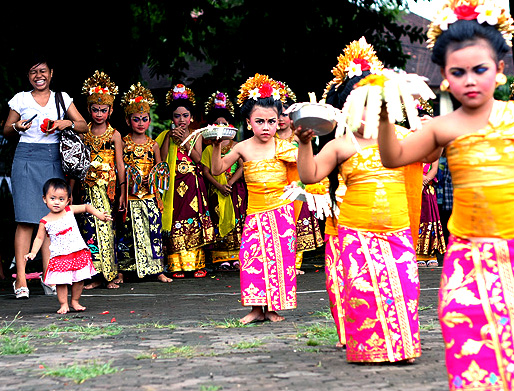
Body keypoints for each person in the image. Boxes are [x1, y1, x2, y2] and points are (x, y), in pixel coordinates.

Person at [376, 0, 514, 387]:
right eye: (458, 72)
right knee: (469, 345)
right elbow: (394, 157)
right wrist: (386, 115)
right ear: (444, 77)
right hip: (467, 257)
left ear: (499, 71)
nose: (469, 79)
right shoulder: (443, 127)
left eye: (480, 70)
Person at [296, 38, 422, 363]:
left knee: (403, 291)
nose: (367, 112)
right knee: (363, 293)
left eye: (374, 103)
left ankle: (403, 348)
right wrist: (304, 144)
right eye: (359, 105)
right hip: (355, 232)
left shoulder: (406, 138)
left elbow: (434, 153)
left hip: (397, 231)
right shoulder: (341, 145)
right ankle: (369, 351)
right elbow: (310, 176)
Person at [211, 74, 298, 324]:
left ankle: (272, 309)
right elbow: (217, 170)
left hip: (281, 212)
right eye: (260, 121)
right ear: (249, 123)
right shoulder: (242, 147)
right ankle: (256, 309)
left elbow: (307, 170)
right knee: (252, 260)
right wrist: (217, 145)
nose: (266, 127)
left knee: (280, 261)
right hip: (255, 214)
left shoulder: (285, 148)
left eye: (272, 121)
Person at [3, 58, 88, 299]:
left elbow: (82, 125)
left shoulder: (62, 97)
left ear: (51, 73)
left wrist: (65, 123)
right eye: (33, 72)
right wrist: (18, 125)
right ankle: (21, 279)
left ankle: (49, 275)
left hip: (53, 159)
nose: (38, 75)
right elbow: (6, 129)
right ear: (28, 76)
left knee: (51, 220)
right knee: (25, 219)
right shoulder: (20, 98)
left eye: (42, 71)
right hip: (26, 158)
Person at [24, 178, 110, 314]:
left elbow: (86, 207)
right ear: (44, 199)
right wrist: (33, 252)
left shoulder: (69, 211)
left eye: (61, 199)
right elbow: (39, 238)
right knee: (61, 282)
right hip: (59, 256)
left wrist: (99, 215)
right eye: (52, 198)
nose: (57, 202)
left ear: (68, 200)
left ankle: (75, 301)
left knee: (79, 279)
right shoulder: (45, 221)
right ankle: (63, 304)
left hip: (77, 252)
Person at [156, 84, 214, 278]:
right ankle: (175, 264)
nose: (181, 120)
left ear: (192, 117)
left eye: (185, 116)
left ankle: (197, 263)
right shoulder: (165, 135)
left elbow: (198, 159)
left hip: (192, 185)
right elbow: (162, 161)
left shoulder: (196, 135)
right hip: (173, 185)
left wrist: (186, 141)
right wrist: (169, 139)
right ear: (171, 118)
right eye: (177, 116)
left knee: (193, 220)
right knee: (175, 220)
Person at [116, 83, 171, 283]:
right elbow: (119, 167)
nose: (140, 123)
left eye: (144, 119)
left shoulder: (153, 144)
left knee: (153, 231)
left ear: (149, 121)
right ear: (128, 120)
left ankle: (157, 270)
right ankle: (123, 270)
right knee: (127, 233)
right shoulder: (123, 142)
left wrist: (153, 177)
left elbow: (160, 167)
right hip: (130, 195)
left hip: (149, 195)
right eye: (136, 119)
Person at [78, 71, 126, 289]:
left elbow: (120, 165)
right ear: (89, 110)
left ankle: (112, 274)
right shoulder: (83, 134)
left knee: (109, 228)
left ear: (111, 110)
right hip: (87, 189)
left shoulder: (115, 134)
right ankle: (96, 275)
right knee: (89, 231)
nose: (99, 113)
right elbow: (76, 164)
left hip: (109, 189)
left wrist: (123, 192)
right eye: (95, 109)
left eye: (103, 110)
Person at [275, 82, 323, 275]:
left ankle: (294, 264)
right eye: (277, 115)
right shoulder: (270, 139)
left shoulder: (300, 138)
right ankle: (277, 261)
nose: (280, 119)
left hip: (297, 182)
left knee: (296, 221)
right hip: (277, 183)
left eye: (285, 115)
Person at [200, 91, 247, 271]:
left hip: (235, 189)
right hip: (216, 189)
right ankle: (221, 258)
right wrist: (219, 185)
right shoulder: (209, 149)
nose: (221, 126)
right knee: (217, 218)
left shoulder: (236, 146)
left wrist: (230, 183)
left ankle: (237, 257)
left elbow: (243, 167)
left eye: (224, 124)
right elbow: (206, 171)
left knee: (238, 220)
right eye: (217, 124)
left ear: (230, 126)